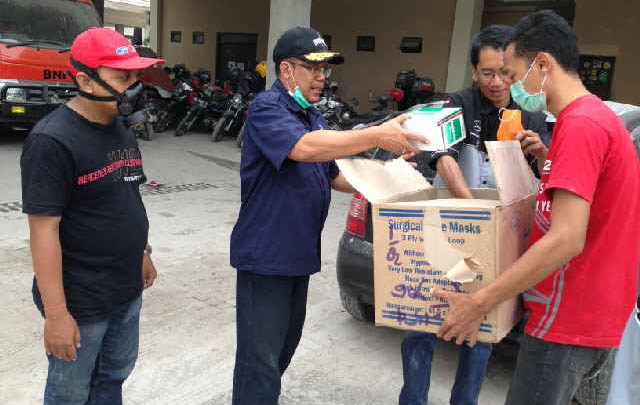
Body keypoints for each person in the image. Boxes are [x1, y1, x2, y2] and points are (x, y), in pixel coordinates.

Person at [433, 10, 640, 405]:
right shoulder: (591, 119)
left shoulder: (581, 126)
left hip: (568, 320)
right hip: (589, 317)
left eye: (512, 73)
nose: (507, 84)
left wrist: (480, 302)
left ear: (542, 64)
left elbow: (566, 238)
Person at [229, 26, 426, 405]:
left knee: (282, 349)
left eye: (325, 69)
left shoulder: (310, 115)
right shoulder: (268, 109)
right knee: (260, 361)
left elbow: (336, 175)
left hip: (297, 257)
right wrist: (375, 135)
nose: (322, 77)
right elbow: (303, 149)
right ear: (287, 70)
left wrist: (390, 176)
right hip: (265, 258)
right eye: (313, 68)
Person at [399, 25, 549, 405]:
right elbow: (441, 155)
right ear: (473, 71)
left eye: (505, 73)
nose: (497, 82)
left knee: (479, 333)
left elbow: (545, 180)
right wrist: (473, 210)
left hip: (495, 245)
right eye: (487, 73)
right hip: (447, 235)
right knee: (423, 324)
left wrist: (540, 155)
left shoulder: (529, 116)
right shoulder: (458, 105)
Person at [20, 28, 161, 405]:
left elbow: (127, 194)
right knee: (70, 393)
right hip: (81, 301)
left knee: (113, 377)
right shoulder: (52, 141)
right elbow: (43, 232)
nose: (134, 87)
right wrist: (56, 314)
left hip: (126, 288)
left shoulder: (121, 127)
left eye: (135, 77)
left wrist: (142, 251)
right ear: (84, 79)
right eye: (122, 77)